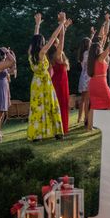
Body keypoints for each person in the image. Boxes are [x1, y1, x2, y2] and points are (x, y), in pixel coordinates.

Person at [27, 12, 65, 141]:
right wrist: (61, 24)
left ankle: (37, 135)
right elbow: (54, 37)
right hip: (45, 82)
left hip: (35, 82)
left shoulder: (30, 52)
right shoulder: (42, 53)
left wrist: (37, 24)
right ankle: (57, 133)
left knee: (37, 108)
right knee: (51, 105)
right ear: (41, 43)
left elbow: (34, 38)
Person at [86, 13, 110, 130]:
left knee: (94, 106)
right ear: (98, 50)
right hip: (101, 83)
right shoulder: (101, 58)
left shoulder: (91, 59)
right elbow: (108, 47)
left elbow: (102, 40)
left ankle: (89, 128)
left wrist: (106, 23)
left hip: (92, 83)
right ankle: (108, 126)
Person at [48, 18, 72, 135]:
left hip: (58, 82)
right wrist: (63, 24)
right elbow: (61, 40)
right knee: (62, 104)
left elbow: (60, 40)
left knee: (59, 105)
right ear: (55, 46)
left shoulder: (53, 56)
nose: (58, 44)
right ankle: (62, 128)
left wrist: (64, 27)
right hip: (60, 83)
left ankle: (57, 128)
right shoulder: (58, 55)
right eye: (56, 43)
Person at [77, 26, 96, 124]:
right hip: (88, 76)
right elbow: (93, 47)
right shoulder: (88, 53)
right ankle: (86, 118)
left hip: (82, 76)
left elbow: (89, 43)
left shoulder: (82, 53)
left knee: (82, 99)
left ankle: (79, 118)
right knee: (88, 99)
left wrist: (92, 35)